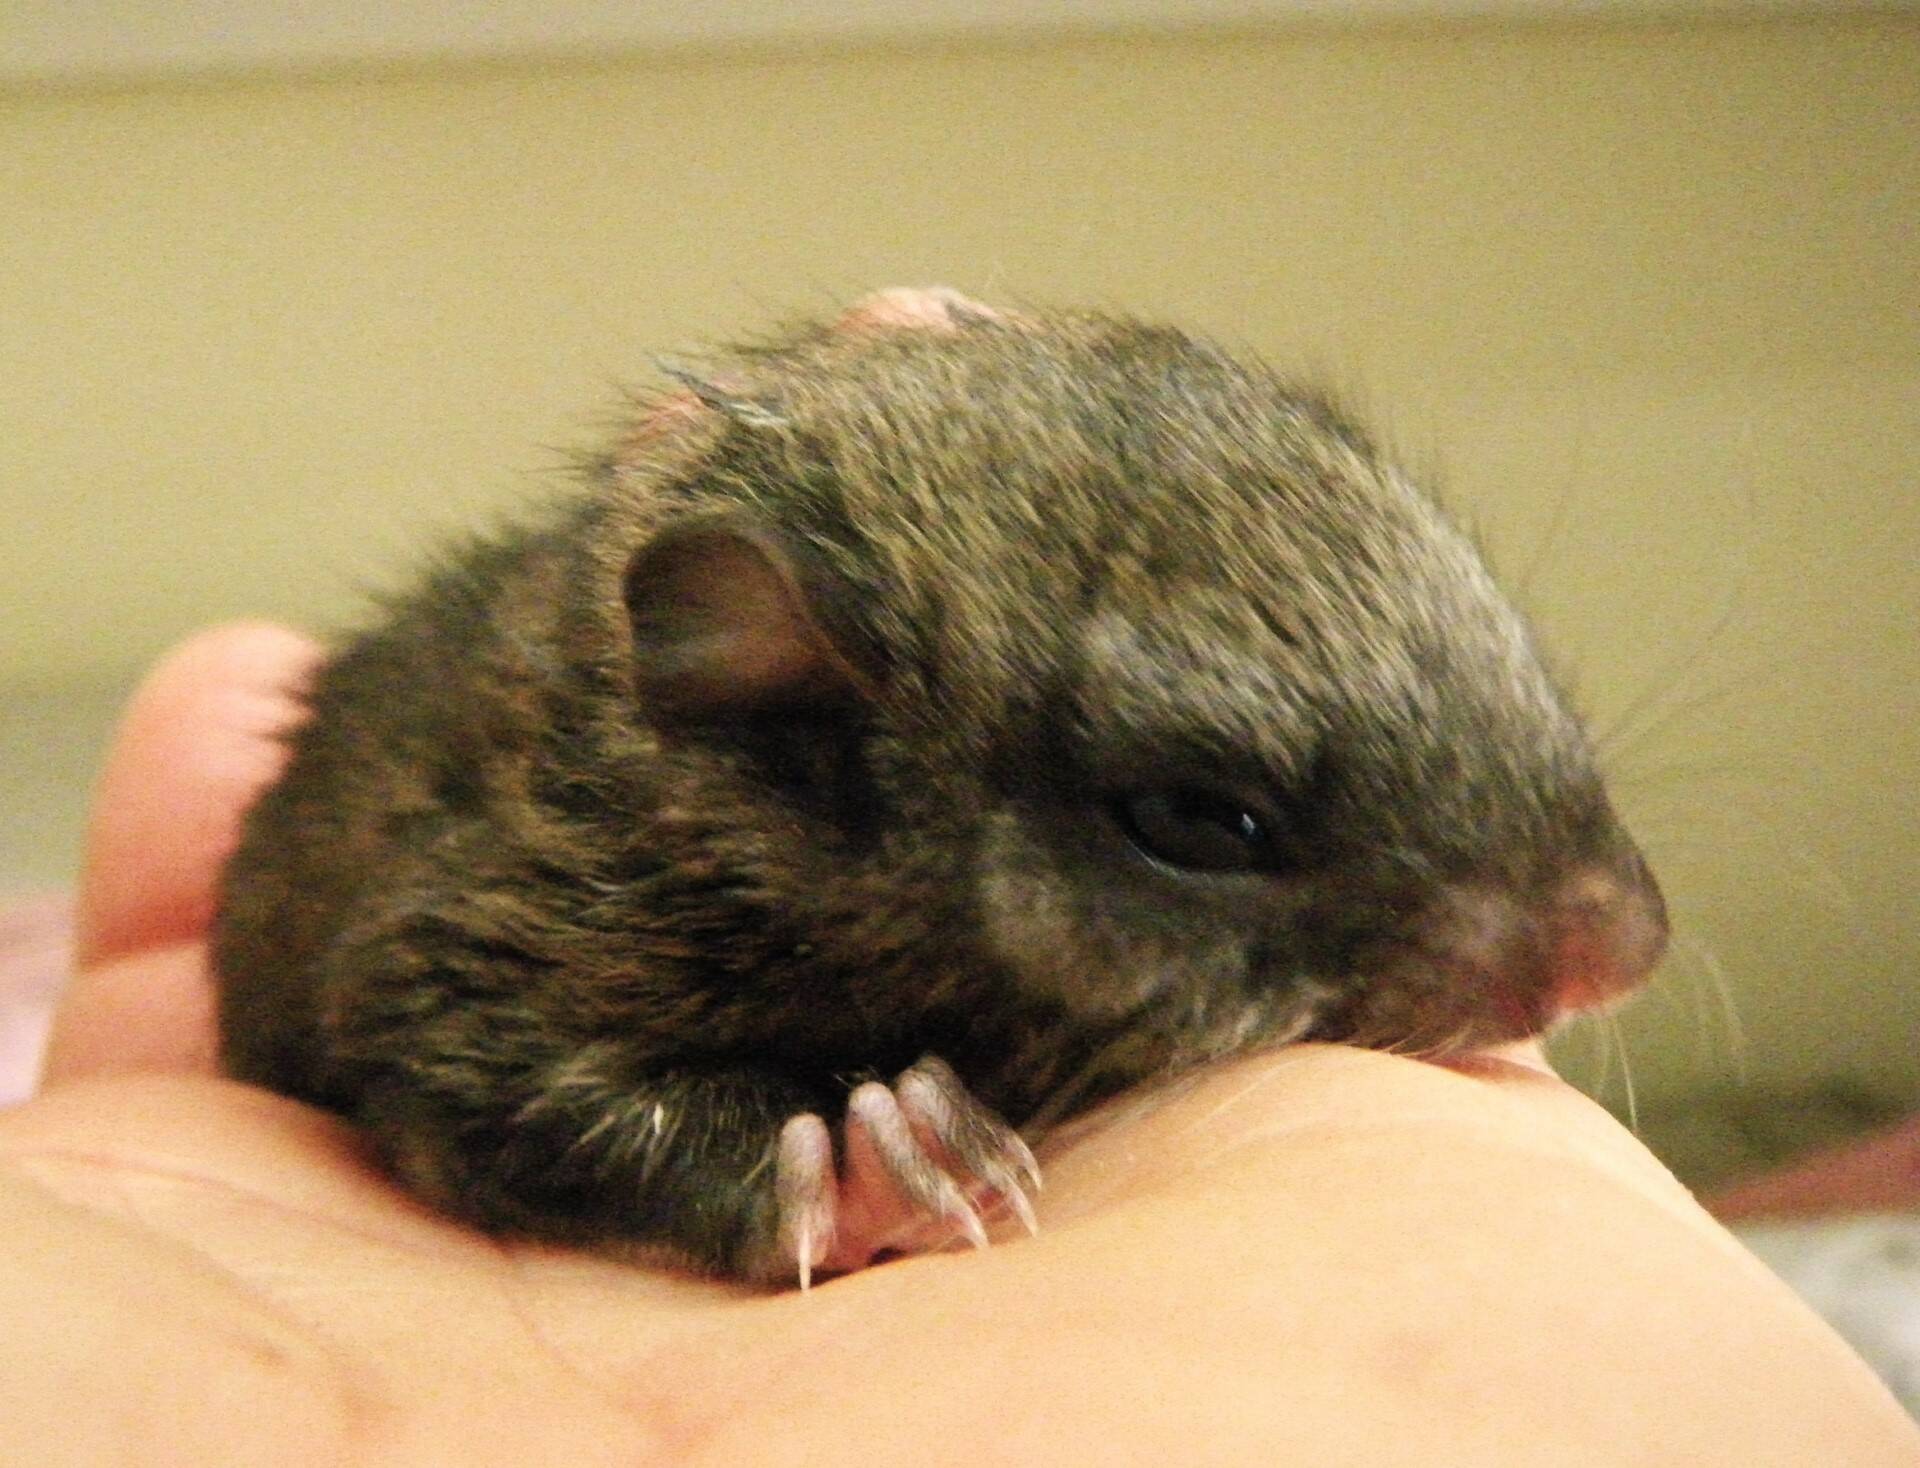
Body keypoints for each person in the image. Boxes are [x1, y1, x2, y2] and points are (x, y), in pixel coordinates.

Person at [4, 624, 1914, 1464]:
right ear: (801, 744)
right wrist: (755, 1178)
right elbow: (440, 1034)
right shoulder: (639, 872)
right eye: (1211, 822)